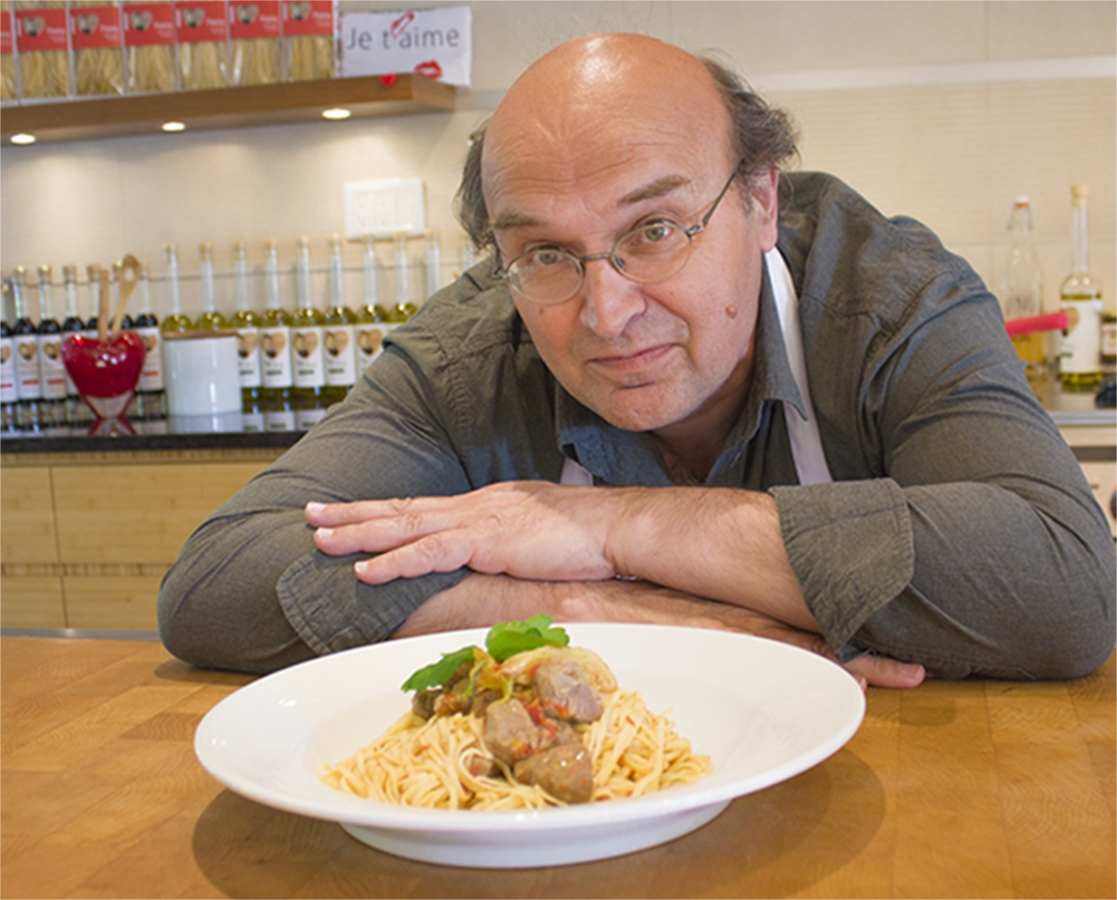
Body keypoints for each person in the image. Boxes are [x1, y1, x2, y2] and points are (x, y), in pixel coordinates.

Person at [158, 33, 1115, 686]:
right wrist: (599, 607)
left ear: (760, 202)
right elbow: (217, 585)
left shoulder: (891, 298)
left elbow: (1061, 585)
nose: (607, 313)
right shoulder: (467, 350)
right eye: (542, 254)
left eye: (655, 229)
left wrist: (612, 526)